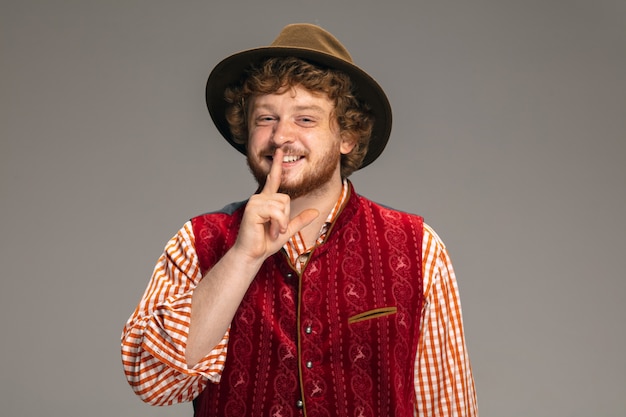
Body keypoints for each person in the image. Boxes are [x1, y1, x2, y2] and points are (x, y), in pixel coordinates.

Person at [121, 23, 478, 417]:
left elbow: (447, 406)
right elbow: (154, 381)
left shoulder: (418, 248)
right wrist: (242, 258)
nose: (280, 137)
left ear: (347, 137)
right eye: (265, 119)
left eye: (305, 119)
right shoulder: (196, 241)